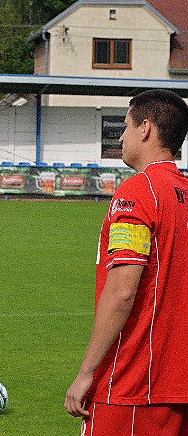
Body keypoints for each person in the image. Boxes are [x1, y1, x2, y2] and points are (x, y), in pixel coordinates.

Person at [65, 89, 188, 434]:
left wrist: (87, 372)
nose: (120, 136)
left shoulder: (137, 192)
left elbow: (121, 291)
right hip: (178, 383)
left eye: (126, 126)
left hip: (134, 383)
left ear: (146, 129)